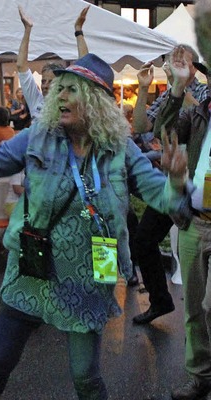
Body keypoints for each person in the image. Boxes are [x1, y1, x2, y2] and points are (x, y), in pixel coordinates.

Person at [0, 53, 189, 400]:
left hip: (89, 276)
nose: (59, 96)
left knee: (86, 377)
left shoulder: (119, 149)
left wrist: (177, 182)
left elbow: (161, 197)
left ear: (94, 101)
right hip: (32, 269)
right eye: (59, 89)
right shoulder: (38, 137)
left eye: (70, 90)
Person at [130, 44, 209, 326]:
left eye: (181, 59)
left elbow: (194, 116)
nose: (174, 62)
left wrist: (180, 88)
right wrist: (143, 89)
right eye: (171, 58)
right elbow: (141, 127)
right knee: (144, 240)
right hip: (174, 185)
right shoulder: (168, 91)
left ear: (196, 66)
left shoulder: (202, 91)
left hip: (195, 187)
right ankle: (161, 301)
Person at [152, 40, 211, 399]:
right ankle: (201, 375)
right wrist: (176, 87)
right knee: (192, 308)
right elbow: (164, 130)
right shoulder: (201, 110)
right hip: (196, 220)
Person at [16, 5, 89, 120]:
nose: (45, 85)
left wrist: (78, 30)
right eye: (43, 81)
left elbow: (86, 69)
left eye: (51, 82)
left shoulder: (68, 103)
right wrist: (27, 30)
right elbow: (21, 66)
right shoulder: (36, 100)